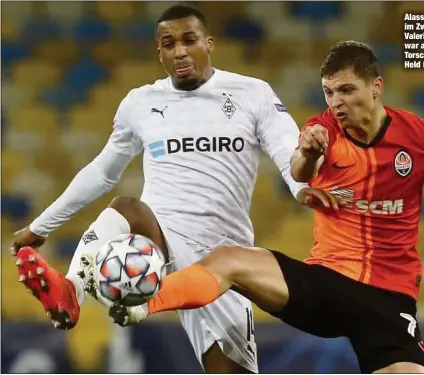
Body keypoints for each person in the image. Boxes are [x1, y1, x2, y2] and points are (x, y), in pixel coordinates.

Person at [98, 41, 424, 374]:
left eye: (347, 90)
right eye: (329, 92)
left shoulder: (421, 135)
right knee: (227, 260)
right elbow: (300, 168)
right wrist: (307, 153)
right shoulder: (323, 129)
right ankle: (142, 304)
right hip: (325, 284)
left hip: (388, 301)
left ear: (376, 86)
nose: (337, 102)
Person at [11, 5, 341, 374]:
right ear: (160, 52)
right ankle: (70, 292)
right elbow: (102, 171)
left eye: (189, 40)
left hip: (222, 261)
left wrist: (301, 189)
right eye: (169, 44)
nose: (180, 51)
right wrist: (40, 226)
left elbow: (287, 150)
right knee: (127, 208)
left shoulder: (252, 93)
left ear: (208, 43)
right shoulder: (141, 102)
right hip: (162, 242)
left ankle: (114, 297)